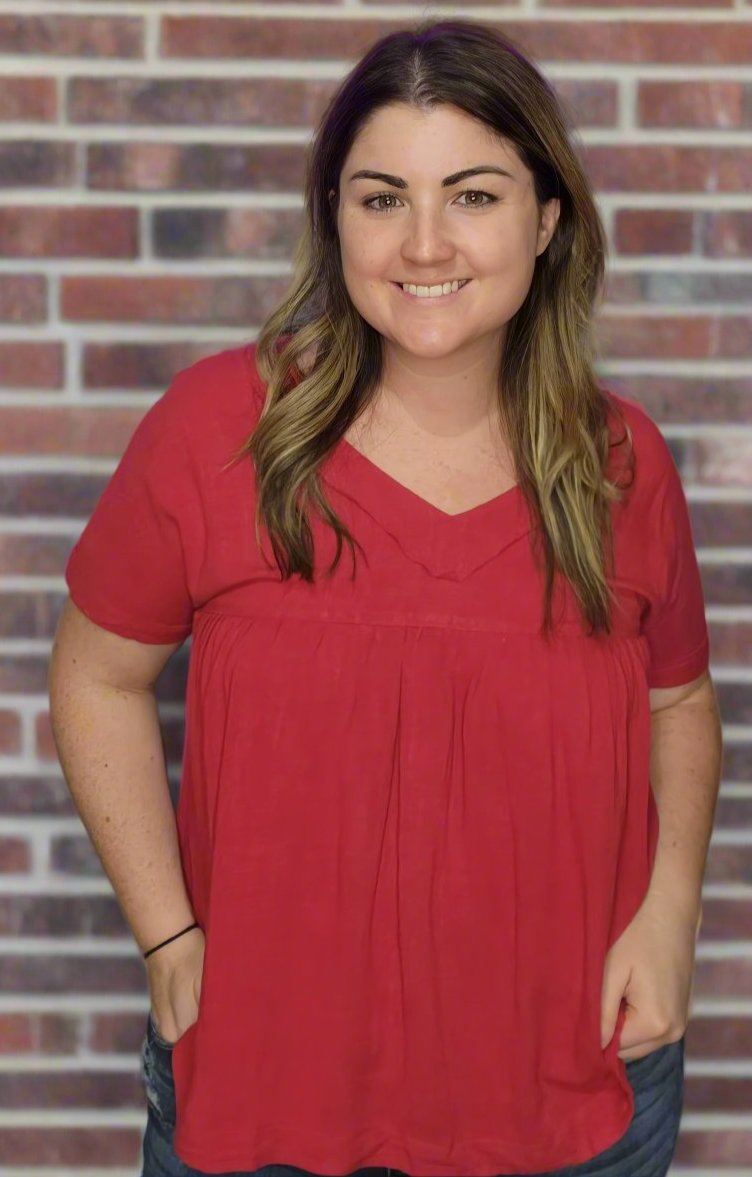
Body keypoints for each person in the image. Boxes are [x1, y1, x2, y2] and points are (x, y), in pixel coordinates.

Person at [47, 18, 723, 1177]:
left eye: (470, 195)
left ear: (546, 218)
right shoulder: (219, 429)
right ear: (335, 220)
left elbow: (676, 702)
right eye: (378, 199)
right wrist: (167, 934)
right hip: (264, 1086)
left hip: (568, 1088)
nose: (421, 243)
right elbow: (97, 672)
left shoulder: (616, 460)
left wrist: (665, 920)